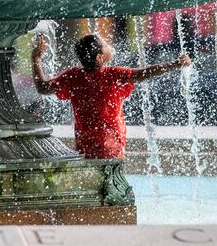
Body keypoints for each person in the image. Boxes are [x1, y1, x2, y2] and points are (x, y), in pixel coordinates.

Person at [32, 33, 191, 159]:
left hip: (84, 148)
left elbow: (42, 88)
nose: (110, 46)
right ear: (99, 58)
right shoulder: (113, 75)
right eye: (106, 45)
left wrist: (36, 59)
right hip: (112, 149)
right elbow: (146, 73)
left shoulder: (73, 76)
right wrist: (175, 64)